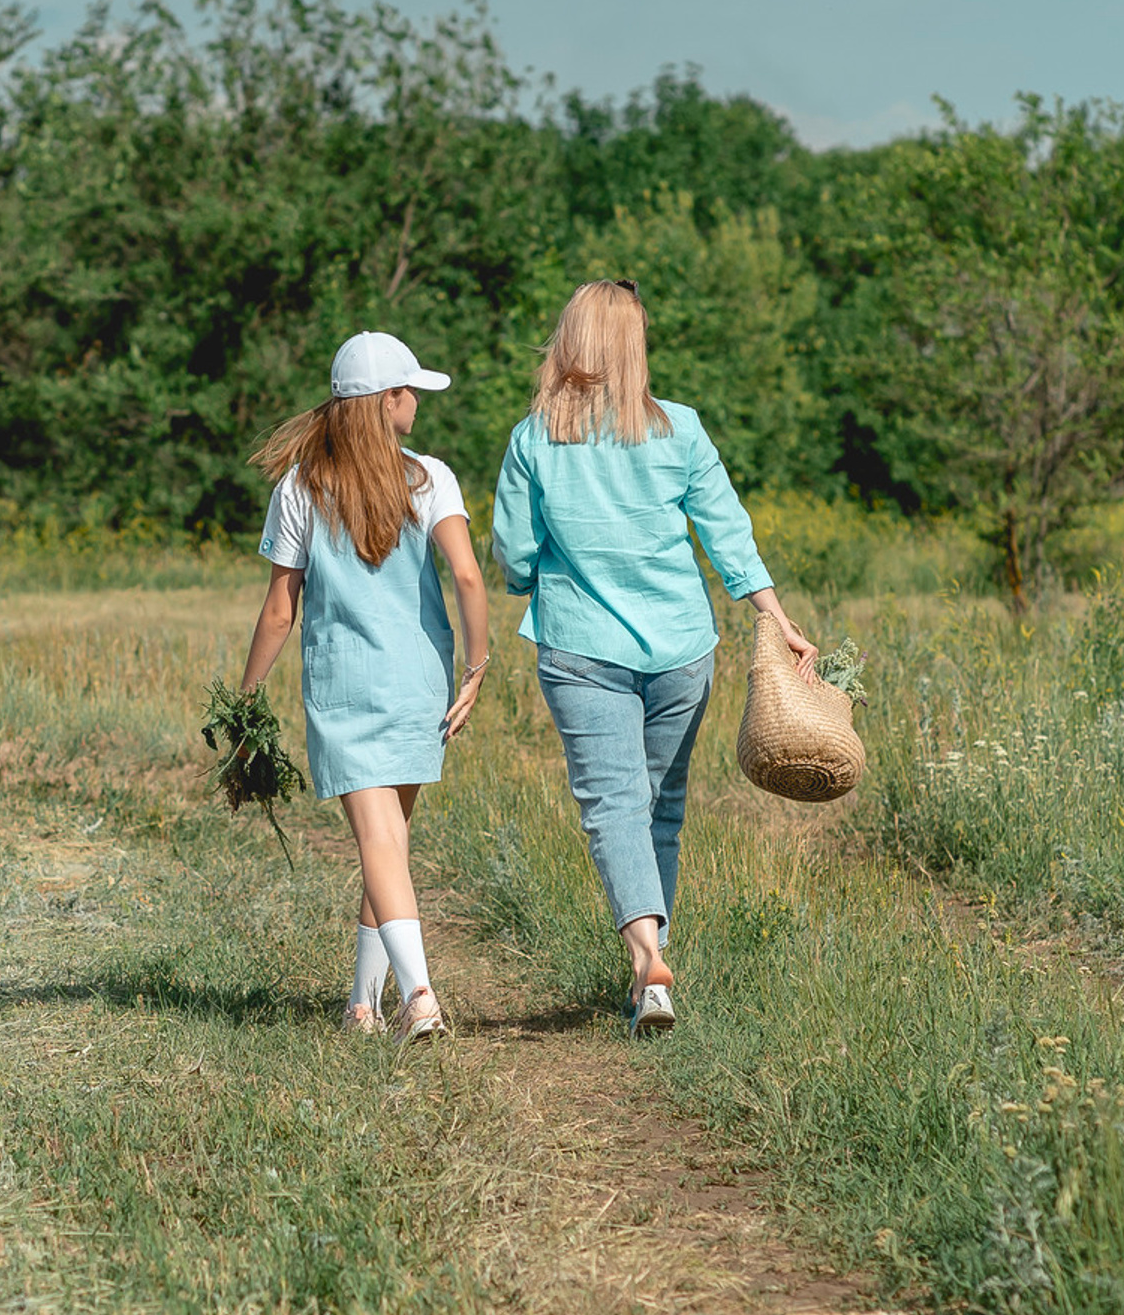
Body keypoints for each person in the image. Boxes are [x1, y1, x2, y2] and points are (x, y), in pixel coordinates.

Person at [489, 280, 814, 1035]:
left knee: (613, 808)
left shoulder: (534, 438)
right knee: (659, 808)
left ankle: (646, 963)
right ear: (635, 345)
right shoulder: (682, 430)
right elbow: (727, 532)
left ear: (572, 342)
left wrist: (532, 580)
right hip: (681, 648)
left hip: (579, 646)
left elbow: (513, 550)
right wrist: (775, 616)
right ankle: (652, 980)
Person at [238, 331, 489, 1039]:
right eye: (410, 391)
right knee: (390, 844)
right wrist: (476, 668)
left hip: (344, 685)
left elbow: (280, 608)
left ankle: (418, 999)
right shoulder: (431, 478)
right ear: (386, 401)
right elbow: (468, 576)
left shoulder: (302, 486)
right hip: (420, 681)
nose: (417, 403)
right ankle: (361, 1006)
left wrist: (247, 695)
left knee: (381, 843)